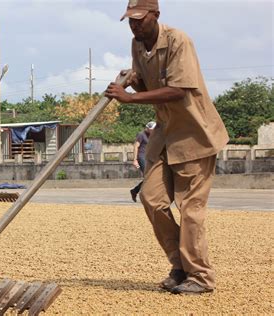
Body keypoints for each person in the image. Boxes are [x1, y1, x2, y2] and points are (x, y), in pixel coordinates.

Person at [105, 0, 229, 294]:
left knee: (190, 208)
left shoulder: (178, 41)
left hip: (193, 134)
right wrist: (134, 83)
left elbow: (178, 90)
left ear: (155, 16)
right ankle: (179, 265)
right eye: (130, 20)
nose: (134, 25)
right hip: (164, 133)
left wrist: (129, 98)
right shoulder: (137, 46)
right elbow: (151, 92)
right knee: (151, 198)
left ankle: (200, 276)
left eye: (139, 19)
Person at [130, 121, 156, 202]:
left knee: (151, 177)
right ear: (148, 128)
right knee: (148, 177)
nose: (153, 131)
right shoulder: (141, 135)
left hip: (150, 158)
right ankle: (146, 195)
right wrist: (135, 160)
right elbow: (136, 146)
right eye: (152, 129)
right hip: (142, 157)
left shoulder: (153, 135)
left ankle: (135, 190)